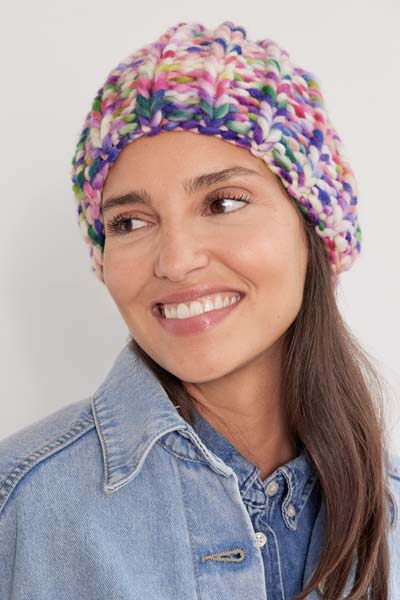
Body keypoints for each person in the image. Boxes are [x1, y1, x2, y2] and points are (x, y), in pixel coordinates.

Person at [0, 19, 399, 600]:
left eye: (224, 203)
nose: (176, 261)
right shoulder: (19, 506)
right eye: (129, 222)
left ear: (312, 227)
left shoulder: (390, 513)